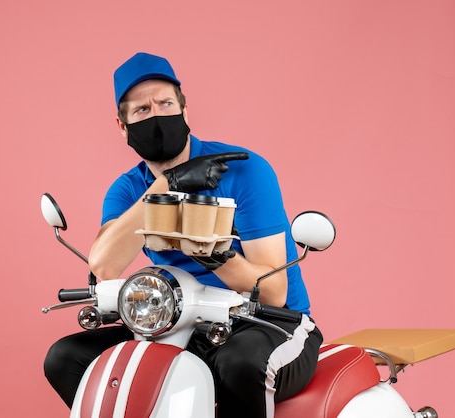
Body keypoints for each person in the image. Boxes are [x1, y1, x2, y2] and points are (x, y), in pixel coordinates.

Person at [44, 52, 323, 417]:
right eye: (142, 111)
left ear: (185, 111)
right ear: (122, 125)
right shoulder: (128, 190)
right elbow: (105, 266)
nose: (157, 115)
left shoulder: (245, 171)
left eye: (165, 103)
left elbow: (273, 291)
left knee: (239, 364)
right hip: (183, 325)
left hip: (271, 324)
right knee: (66, 358)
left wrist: (208, 251)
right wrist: (168, 187)